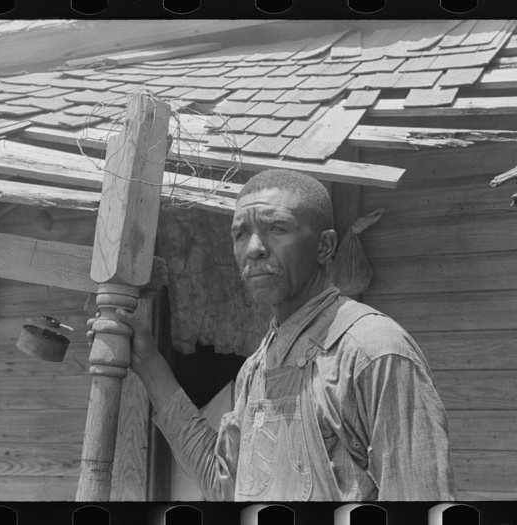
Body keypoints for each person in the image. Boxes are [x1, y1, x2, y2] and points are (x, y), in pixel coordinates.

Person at [87, 169, 454, 501]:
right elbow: (222, 487)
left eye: (277, 228)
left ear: (325, 246)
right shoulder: (257, 368)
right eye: (240, 233)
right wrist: (149, 364)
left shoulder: (373, 351)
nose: (254, 249)